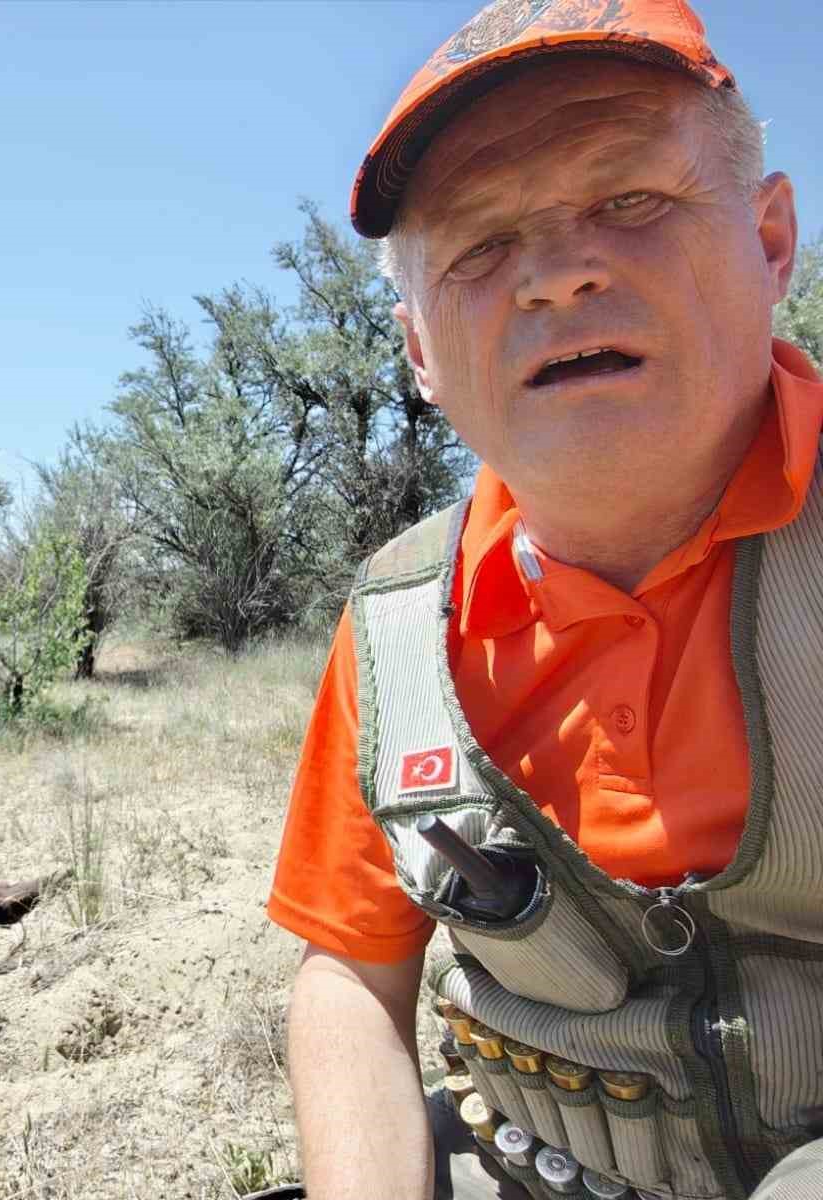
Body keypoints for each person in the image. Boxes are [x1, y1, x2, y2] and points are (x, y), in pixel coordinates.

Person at [266, 2, 823, 1198]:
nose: (558, 273)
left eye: (628, 202)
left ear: (771, 241)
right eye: (476, 246)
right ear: (418, 349)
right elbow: (351, 978)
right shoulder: (399, 623)